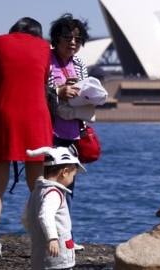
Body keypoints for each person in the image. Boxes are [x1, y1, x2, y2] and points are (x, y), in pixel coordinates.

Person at [0, 17, 53, 262]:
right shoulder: (44, 47)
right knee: (38, 184)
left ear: (13, 31)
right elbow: (43, 80)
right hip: (35, 116)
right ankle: (43, 239)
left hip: (4, 115)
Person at [48, 13, 90, 250]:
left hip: (72, 131)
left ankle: (67, 239)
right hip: (49, 131)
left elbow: (86, 89)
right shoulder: (47, 59)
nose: (72, 42)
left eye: (77, 38)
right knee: (50, 186)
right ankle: (49, 237)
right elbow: (38, 89)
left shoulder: (80, 64)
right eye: (67, 37)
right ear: (56, 38)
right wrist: (58, 92)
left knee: (68, 187)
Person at [23, 145, 87, 270]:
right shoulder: (54, 193)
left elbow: (25, 218)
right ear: (64, 172)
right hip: (57, 258)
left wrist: (37, 236)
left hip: (39, 256)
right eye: (73, 175)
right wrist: (52, 238)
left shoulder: (37, 192)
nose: (72, 180)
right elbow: (45, 215)